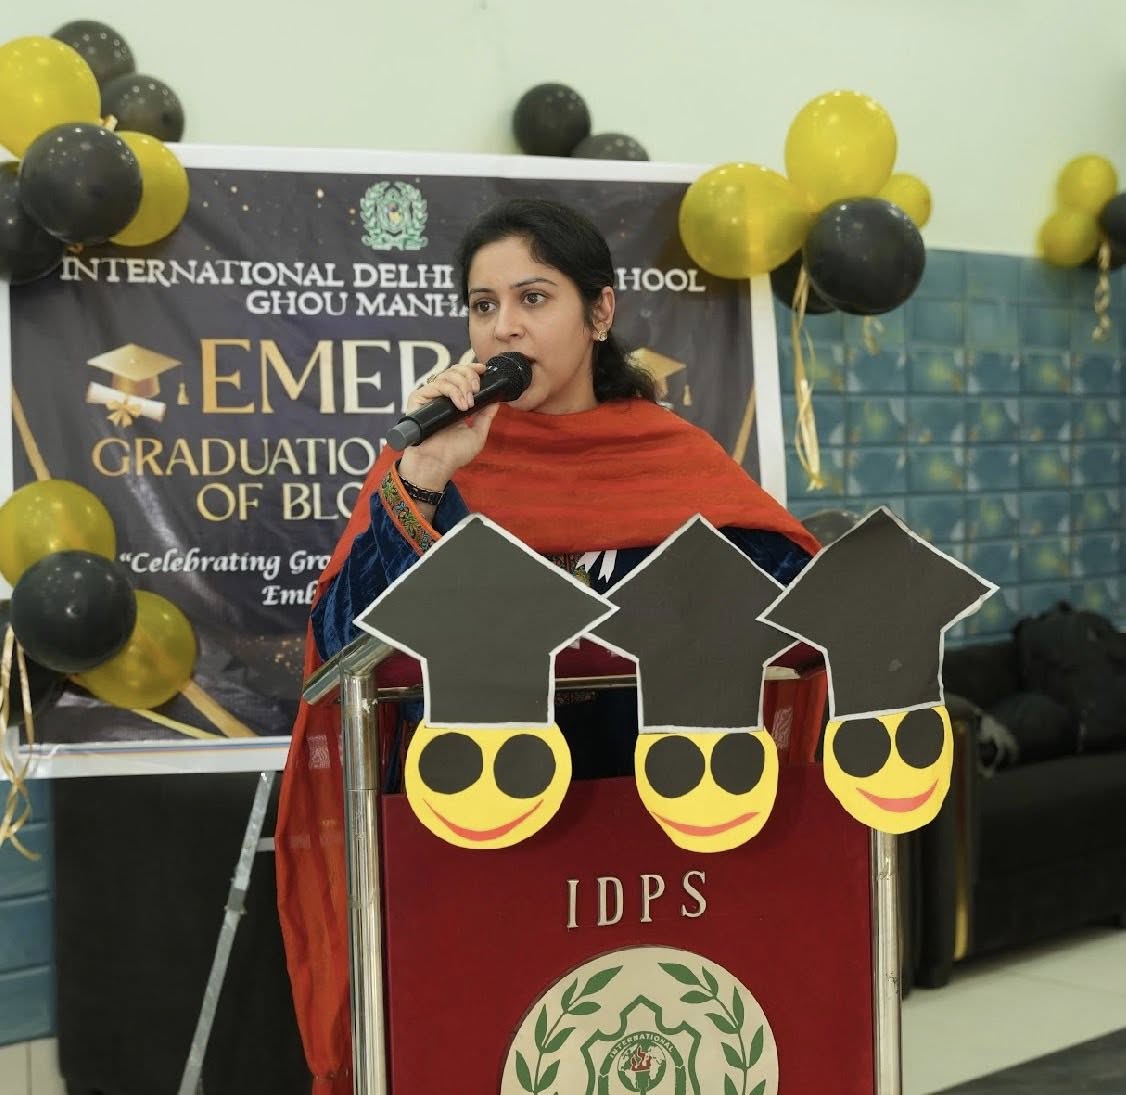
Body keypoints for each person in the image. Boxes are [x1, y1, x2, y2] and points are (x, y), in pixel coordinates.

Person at [275, 198, 820, 1094]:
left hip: (650, 830)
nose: (504, 327)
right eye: (483, 305)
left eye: (533, 298)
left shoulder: (671, 459)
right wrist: (426, 476)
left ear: (599, 312)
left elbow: (794, 618)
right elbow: (343, 648)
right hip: (467, 823)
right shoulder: (439, 460)